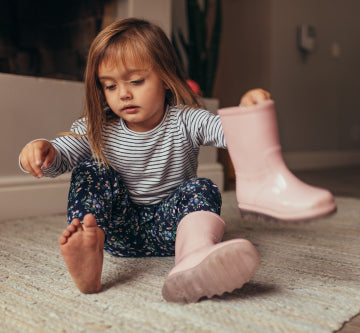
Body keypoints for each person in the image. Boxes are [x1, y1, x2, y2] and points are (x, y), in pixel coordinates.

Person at [19, 18, 270, 303]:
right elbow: (63, 155)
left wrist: (248, 112)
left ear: (164, 77)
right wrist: (44, 150)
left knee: (202, 187)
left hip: (175, 230)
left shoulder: (186, 120)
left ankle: (194, 256)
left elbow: (231, 133)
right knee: (91, 170)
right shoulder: (98, 127)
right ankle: (89, 251)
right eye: (110, 86)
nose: (123, 93)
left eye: (136, 81)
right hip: (117, 231)